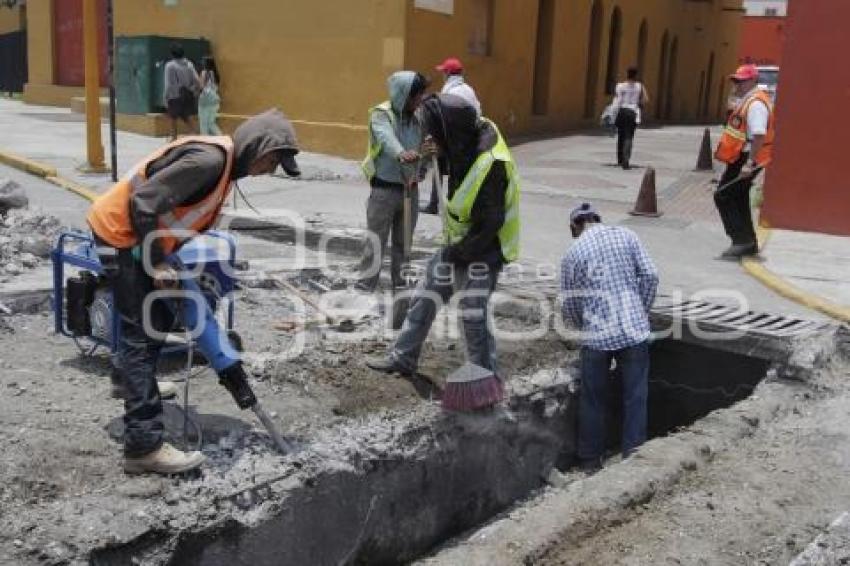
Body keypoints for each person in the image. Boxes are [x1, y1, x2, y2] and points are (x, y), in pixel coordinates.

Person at [86, 109, 301, 475]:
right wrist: (155, 264)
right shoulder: (209, 161)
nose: (271, 169)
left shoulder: (223, 170)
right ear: (256, 147)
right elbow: (145, 201)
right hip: (121, 236)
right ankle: (143, 446)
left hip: (139, 239)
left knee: (159, 316)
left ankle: (130, 380)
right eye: (273, 159)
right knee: (142, 333)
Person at [367, 93, 521, 376]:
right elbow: (458, 161)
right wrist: (440, 151)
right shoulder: (468, 134)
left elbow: (490, 222)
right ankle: (403, 358)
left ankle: (485, 378)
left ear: (450, 131)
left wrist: (459, 254)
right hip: (459, 240)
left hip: (486, 246)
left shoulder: (491, 164)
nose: (430, 136)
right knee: (426, 296)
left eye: (435, 133)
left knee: (473, 313)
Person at [560, 202, 658, 472]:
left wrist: (582, 325)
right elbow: (651, 275)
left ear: (575, 227)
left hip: (597, 336)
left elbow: (571, 303)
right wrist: (641, 309)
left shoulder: (574, 253)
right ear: (597, 219)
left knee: (593, 398)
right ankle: (633, 456)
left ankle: (591, 460)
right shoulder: (627, 236)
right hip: (633, 330)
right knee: (635, 395)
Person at [357, 71, 430, 292]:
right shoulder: (381, 114)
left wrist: (426, 159)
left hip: (411, 189)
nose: (419, 101)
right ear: (403, 95)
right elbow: (385, 137)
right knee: (375, 242)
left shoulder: (420, 117)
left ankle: (401, 286)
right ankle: (364, 286)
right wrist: (400, 153)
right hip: (384, 190)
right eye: (415, 96)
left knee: (404, 244)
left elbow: (427, 143)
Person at [713, 64, 775, 258]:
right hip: (743, 157)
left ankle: (741, 241)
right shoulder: (749, 100)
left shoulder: (756, 103)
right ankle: (748, 242)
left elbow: (758, 135)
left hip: (747, 157)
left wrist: (750, 163)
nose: (736, 85)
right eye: (735, 81)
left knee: (723, 195)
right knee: (738, 197)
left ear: (753, 81)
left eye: (741, 81)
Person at [421, 57, 483, 215]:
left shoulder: (449, 91)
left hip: (451, 138)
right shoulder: (468, 90)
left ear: (447, 73)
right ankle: (450, 206)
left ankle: (436, 204)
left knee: (439, 168)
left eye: (443, 72)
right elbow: (478, 112)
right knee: (455, 173)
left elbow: (443, 117)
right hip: (467, 139)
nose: (442, 75)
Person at [612, 67, 649, 170]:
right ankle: (626, 160)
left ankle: (619, 159)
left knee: (621, 135)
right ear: (636, 75)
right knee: (629, 136)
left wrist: (613, 113)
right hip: (633, 112)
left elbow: (618, 100)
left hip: (622, 111)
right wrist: (638, 102)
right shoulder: (640, 86)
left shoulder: (620, 86)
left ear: (627, 74)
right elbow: (645, 99)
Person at [163, 43, 201, 141]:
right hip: (188, 94)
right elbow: (197, 80)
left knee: (173, 119)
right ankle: (196, 137)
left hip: (174, 96)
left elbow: (168, 84)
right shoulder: (189, 64)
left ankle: (173, 140)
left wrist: (165, 97)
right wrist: (193, 89)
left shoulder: (170, 65)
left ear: (172, 54)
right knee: (187, 118)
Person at [198, 56, 222, 136]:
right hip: (215, 99)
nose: (202, 63)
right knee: (211, 123)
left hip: (205, 100)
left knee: (203, 123)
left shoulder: (204, 72)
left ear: (206, 64)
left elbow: (201, 86)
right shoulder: (215, 73)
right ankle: (221, 137)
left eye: (203, 61)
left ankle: (205, 139)